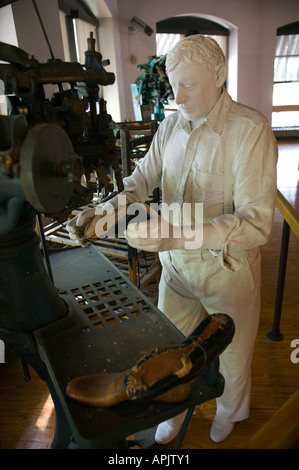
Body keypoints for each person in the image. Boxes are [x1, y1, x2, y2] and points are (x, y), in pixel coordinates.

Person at [67, 35, 277, 444]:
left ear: (219, 76)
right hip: (177, 267)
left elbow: (255, 224)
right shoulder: (171, 125)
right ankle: (174, 410)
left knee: (232, 355)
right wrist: (107, 210)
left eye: (188, 85)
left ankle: (231, 411)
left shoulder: (250, 131)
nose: (177, 96)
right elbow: (141, 180)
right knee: (170, 349)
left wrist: (176, 234)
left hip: (226, 270)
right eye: (173, 85)